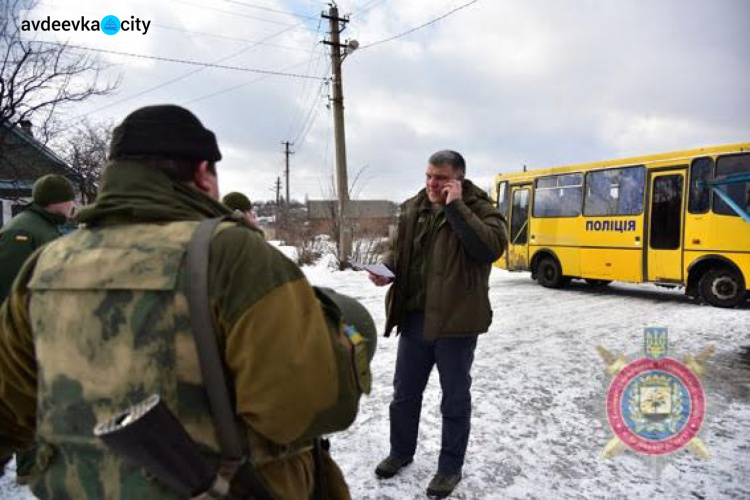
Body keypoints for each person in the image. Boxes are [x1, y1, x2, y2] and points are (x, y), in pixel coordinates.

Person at [0, 105, 374, 499]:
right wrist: (342, 330)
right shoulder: (230, 253)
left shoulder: (47, 264)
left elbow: (8, 409)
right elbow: (300, 410)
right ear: (202, 172)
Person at [370, 150, 507, 498]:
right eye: (429, 175)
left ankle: (449, 469)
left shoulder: (481, 209)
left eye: (441, 178)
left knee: (455, 400)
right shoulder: (414, 207)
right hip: (415, 319)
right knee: (404, 394)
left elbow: (489, 248)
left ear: (458, 180)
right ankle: (401, 452)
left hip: (456, 323)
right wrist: (386, 267)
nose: (432, 183)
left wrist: (456, 207)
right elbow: (398, 250)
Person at [0, 174, 76, 302]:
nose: (73, 205)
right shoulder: (21, 232)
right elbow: (8, 288)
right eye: (70, 199)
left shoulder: (45, 225)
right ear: (56, 200)